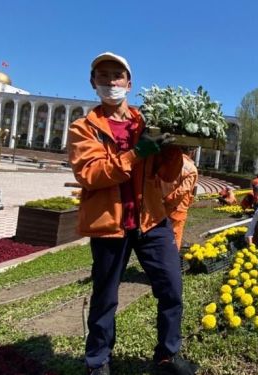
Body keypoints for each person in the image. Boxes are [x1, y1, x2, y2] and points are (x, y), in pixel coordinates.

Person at [67, 51, 197, 375]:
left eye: (117, 75)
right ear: (93, 83)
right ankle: (98, 363)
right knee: (105, 297)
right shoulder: (84, 128)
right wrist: (135, 154)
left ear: (129, 82)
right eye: (103, 76)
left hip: (151, 220)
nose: (111, 81)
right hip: (110, 225)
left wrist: (175, 153)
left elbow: (167, 176)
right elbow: (91, 174)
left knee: (171, 287)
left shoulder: (146, 123)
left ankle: (167, 357)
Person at [162, 149, 199, 250]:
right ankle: (171, 262)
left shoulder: (166, 162)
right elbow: (183, 191)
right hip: (178, 208)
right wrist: (169, 201)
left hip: (160, 206)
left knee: (160, 235)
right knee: (174, 238)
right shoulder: (191, 168)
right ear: (192, 152)